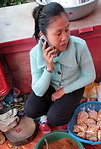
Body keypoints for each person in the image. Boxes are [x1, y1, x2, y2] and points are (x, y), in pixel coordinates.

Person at [25, 2, 96, 134]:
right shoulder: (35, 54)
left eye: (67, 30)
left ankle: (62, 112)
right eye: (58, 34)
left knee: (56, 119)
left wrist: (62, 91)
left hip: (72, 86)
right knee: (30, 109)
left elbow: (90, 76)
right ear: (43, 35)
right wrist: (48, 68)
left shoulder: (79, 46)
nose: (65, 38)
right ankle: (45, 114)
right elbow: (38, 91)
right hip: (49, 86)